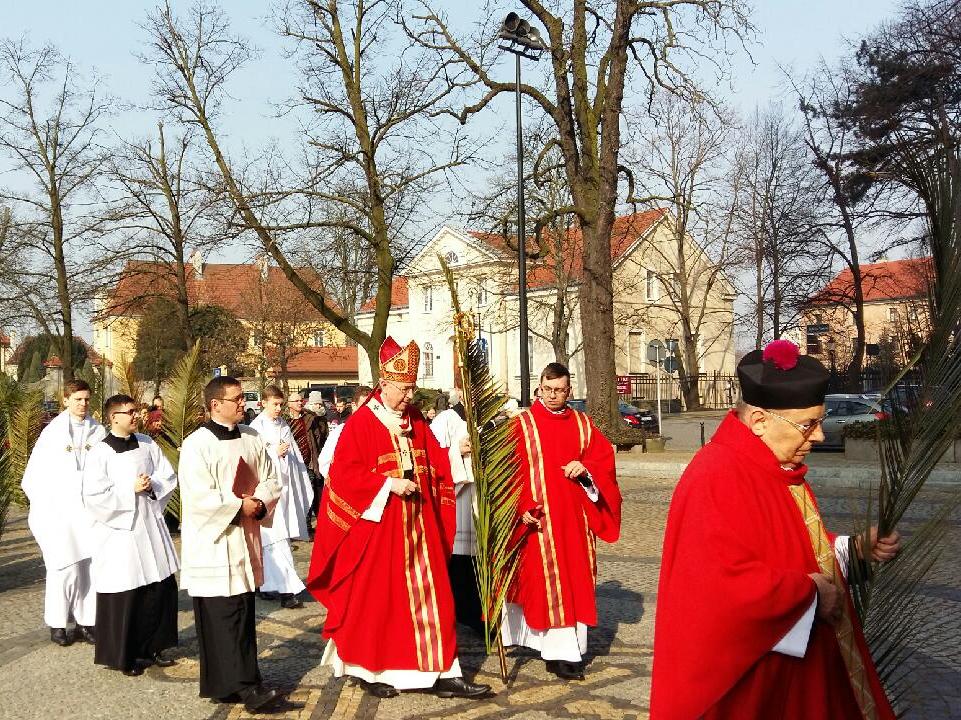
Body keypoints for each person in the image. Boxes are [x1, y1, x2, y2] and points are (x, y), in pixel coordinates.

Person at [650, 340, 900, 719]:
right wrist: (810, 592)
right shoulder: (716, 475)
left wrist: (852, 549)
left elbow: (790, 545)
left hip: (793, 666)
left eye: (820, 419)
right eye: (807, 424)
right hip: (752, 684)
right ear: (760, 421)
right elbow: (716, 587)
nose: (818, 436)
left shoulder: (773, 468)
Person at [306, 337, 490, 700]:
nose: (409, 396)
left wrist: (458, 451)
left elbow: (435, 460)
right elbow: (342, 476)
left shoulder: (416, 418)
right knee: (378, 603)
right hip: (380, 530)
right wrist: (388, 484)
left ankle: (444, 671)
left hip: (420, 529)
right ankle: (368, 670)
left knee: (436, 597)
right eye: (404, 389)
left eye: (412, 389)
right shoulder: (362, 423)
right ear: (385, 384)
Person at [501, 362, 621, 681]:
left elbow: (603, 460)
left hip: (575, 520)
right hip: (537, 522)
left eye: (561, 390)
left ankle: (567, 651)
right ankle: (549, 649)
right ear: (538, 387)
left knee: (573, 581)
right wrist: (520, 507)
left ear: (570, 390)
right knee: (543, 585)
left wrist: (585, 468)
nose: (554, 396)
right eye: (548, 389)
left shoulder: (582, 424)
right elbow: (506, 472)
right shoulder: (521, 424)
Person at [178, 376, 284, 712]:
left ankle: (227, 684)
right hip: (214, 541)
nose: (243, 403)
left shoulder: (252, 437)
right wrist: (239, 506)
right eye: (236, 398)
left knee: (242, 613)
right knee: (221, 616)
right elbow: (198, 495)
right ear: (215, 405)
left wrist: (260, 502)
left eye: (242, 398)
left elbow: (271, 478)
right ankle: (245, 688)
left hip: (243, 537)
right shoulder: (197, 444)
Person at [82, 394, 179, 677]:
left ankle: (156, 646)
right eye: (130, 412)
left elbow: (167, 475)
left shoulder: (147, 444)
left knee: (159, 587)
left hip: (150, 524)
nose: (136, 416)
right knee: (129, 591)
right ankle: (127, 654)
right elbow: (93, 496)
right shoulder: (100, 453)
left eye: (136, 411)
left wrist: (152, 486)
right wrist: (129, 489)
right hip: (121, 532)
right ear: (114, 417)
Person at [22, 379, 106, 647]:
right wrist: (46, 508)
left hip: (90, 512)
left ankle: (86, 621)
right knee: (63, 568)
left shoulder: (98, 431)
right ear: (66, 400)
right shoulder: (53, 434)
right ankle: (57, 623)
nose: (83, 404)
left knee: (89, 568)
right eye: (77, 399)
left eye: (86, 399)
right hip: (59, 513)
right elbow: (34, 477)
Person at [250, 385, 313, 609]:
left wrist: (287, 457)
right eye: (275, 404)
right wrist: (273, 454)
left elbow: (293, 454)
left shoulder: (284, 425)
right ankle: (288, 590)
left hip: (285, 489)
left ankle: (265, 584)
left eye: (281, 404)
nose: (278, 408)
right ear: (264, 403)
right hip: (266, 493)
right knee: (274, 539)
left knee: (278, 539)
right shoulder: (255, 428)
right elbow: (253, 461)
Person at [430, 388, 482, 634]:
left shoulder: (490, 420)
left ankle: (481, 614)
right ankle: (460, 612)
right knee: (459, 560)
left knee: (480, 560)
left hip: (482, 501)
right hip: (458, 499)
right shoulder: (445, 420)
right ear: (462, 394)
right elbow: (430, 459)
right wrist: (457, 452)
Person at [286, 390, 328, 523]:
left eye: (301, 400)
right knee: (296, 495)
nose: (300, 403)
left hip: (308, 462)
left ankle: (308, 525)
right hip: (291, 462)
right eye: (296, 401)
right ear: (289, 404)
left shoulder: (309, 418)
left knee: (310, 493)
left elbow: (320, 437)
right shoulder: (284, 421)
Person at [316, 385, 371, 479]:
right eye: (364, 406)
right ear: (354, 405)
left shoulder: (378, 430)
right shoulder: (340, 432)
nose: (368, 410)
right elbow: (325, 463)